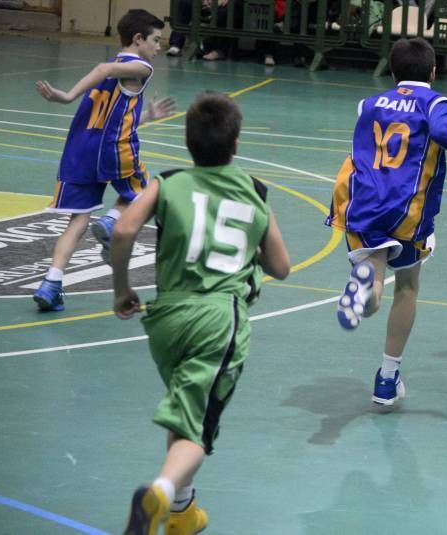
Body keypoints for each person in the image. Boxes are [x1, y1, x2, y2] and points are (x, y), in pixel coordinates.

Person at [111, 91, 290, 534]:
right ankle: (161, 493)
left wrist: (122, 289)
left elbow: (124, 228)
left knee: (185, 408)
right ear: (235, 142)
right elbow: (281, 267)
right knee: (197, 431)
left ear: (188, 142)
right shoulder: (253, 190)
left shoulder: (167, 182)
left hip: (166, 319)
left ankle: (183, 513)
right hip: (218, 320)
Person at [325, 37, 447, 406]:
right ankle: (387, 378)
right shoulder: (439, 102)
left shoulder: (368, 103)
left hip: (364, 200)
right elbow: (440, 132)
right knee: (407, 286)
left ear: (392, 70)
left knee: (373, 286)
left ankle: (364, 288)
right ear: (434, 72)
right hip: (407, 208)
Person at [32, 9, 175, 312]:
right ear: (138, 39)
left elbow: (114, 114)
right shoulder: (141, 67)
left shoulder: (123, 67)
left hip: (79, 150)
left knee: (78, 220)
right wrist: (67, 96)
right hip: (113, 148)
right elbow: (102, 68)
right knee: (144, 192)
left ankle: (51, 283)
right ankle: (111, 222)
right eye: (156, 40)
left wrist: (146, 116)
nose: (158, 47)